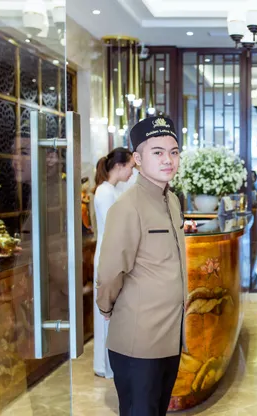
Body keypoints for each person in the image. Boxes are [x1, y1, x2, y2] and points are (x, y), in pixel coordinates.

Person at [96, 117, 187, 416]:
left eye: (173, 152)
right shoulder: (127, 207)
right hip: (140, 342)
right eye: (157, 152)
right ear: (137, 159)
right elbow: (110, 271)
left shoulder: (171, 201)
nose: (168, 160)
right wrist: (106, 307)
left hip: (169, 336)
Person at [92, 147, 134, 379]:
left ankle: (107, 363)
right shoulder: (105, 192)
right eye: (130, 167)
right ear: (119, 166)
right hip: (108, 256)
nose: (131, 173)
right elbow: (114, 229)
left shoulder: (110, 190)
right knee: (106, 311)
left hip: (111, 254)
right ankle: (104, 364)